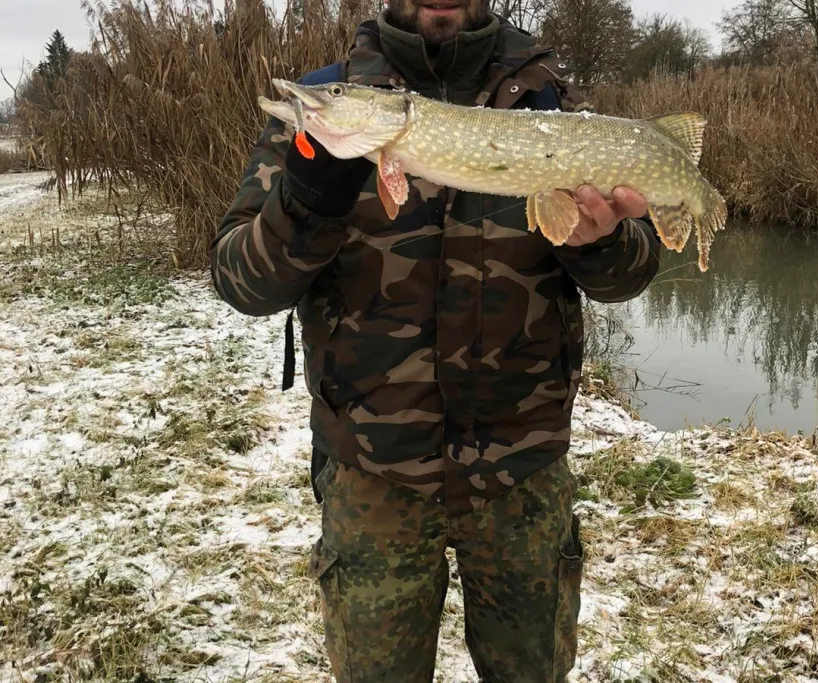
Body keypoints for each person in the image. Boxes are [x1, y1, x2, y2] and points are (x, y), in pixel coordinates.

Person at [208, 0, 661, 679]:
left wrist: (601, 243)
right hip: (372, 473)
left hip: (523, 472)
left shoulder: (551, 104)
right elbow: (243, 283)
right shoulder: (335, 105)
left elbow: (631, 274)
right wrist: (307, 203)